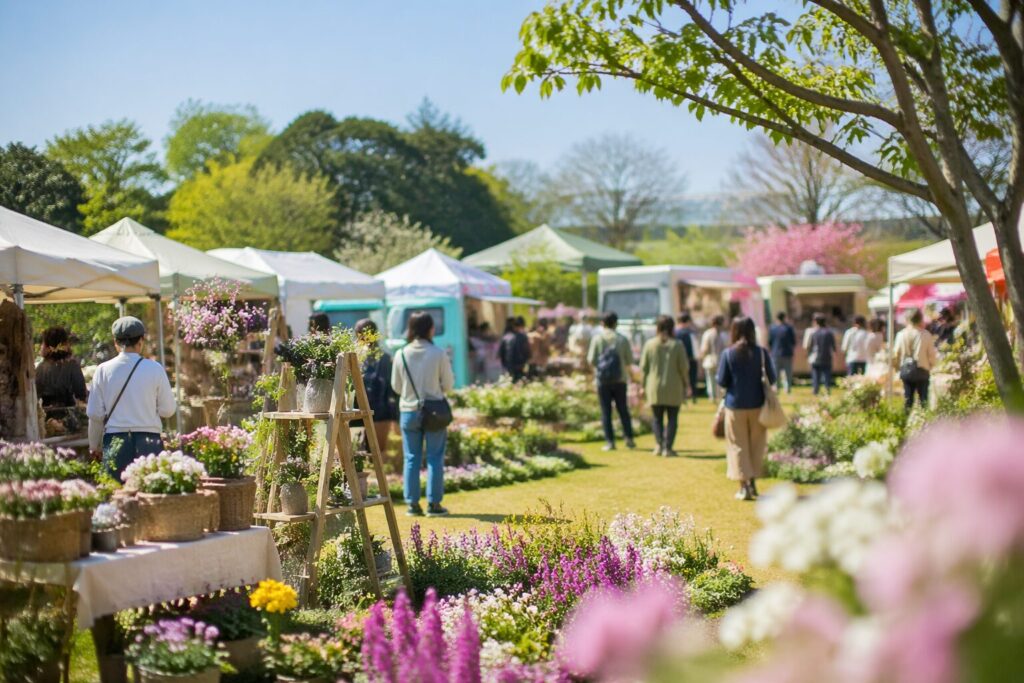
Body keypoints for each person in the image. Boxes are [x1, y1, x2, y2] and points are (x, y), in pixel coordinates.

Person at [87, 317, 176, 478]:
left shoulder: (102, 370)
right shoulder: (155, 369)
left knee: (117, 495)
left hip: (116, 441)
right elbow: (168, 410)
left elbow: (95, 414)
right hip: (149, 441)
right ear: (141, 341)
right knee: (150, 495)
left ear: (115, 341)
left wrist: (95, 446)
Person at [391, 312, 455, 517]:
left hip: (409, 411)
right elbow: (448, 385)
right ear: (430, 329)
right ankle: (434, 505)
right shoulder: (438, 353)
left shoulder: (401, 353)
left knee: (411, 458)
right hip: (434, 410)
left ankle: (412, 504)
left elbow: (396, 386)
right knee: (435, 458)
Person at [716, 316, 776, 501]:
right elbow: (772, 378)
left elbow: (721, 380)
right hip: (758, 405)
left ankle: (744, 486)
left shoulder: (728, 353)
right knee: (756, 446)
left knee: (737, 446)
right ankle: (753, 484)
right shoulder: (761, 353)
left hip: (735, 406)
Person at [587, 312, 636, 451]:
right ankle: (629, 438)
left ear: (602, 323)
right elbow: (629, 361)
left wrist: (599, 370)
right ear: (616, 323)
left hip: (603, 380)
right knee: (623, 410)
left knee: (606, 412)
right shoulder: (622, 339)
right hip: (620, 379)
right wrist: (631, 377)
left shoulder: (597, 339)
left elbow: (591, 359)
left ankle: (610, 441)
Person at [641, 315, 689, 456]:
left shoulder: (650, 344)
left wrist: (642, 386)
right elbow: (684, 368)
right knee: (673, 418)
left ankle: (658, 445)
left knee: (657, 418)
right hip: (674, 387)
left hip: (654, 387)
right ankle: (668, 447)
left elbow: (644, 367)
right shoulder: (677, 345)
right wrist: (687, 384)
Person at [354, 319, 397, 463]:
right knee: (378, 455)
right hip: (381, 412)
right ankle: (381, 484)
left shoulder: (354, 357)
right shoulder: (385, 358)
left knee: (358, 455)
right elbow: (392, 388)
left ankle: (364, 483)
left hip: (357, 412)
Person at [35, 326, 88, 431]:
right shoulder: (73, 366)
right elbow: (81, 395)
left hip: (47, 421)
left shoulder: (40, 368)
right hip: (70, 421)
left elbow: (35, 397)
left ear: (47, 346)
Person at [894, 308, 938, 412]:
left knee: (908, 399)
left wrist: (897, 368)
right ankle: (925, 424)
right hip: (922, 368)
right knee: (923, 400)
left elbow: (896, 354)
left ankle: (904, 422)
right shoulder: (925, 334)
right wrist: (931, 365)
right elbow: (931, 354)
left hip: (906, 369)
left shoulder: (901, 334)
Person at [805, 313, 836, 396]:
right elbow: (833, 346)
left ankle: (815, 390)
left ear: (815, 322)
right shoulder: (829, 332)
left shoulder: (813, 332)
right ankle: (827, 389)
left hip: (815, 356)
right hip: (827, 356)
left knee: (816, 375)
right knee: (827, 374)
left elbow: (809, 346)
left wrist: (808, 355)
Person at [699, 315, 728, 401]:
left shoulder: (708, 334)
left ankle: (713, 397)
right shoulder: (724, 335)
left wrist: (702, 358)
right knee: (719, 380)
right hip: (721, 360)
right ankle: (718, 396)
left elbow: (704, 349)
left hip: (710, 360)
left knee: (711, 380)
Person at [767, 312, 797, 394]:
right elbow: (793, 341)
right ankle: (787, 388)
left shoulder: (772, 328)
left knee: (776, 372)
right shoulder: (789, 328)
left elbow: (770, 342)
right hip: (787, 353)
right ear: (784, 317)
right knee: (788, 372)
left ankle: (776, 388)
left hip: (775, 353)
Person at [674, 313, 699, 403]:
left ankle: (682, 397)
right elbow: (695, 348)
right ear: (688, 321)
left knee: (680, 379)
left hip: (677, 359)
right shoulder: (691, 333)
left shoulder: (674, 332)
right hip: (691, 359)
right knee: (692, 379)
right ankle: (693, 397)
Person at [499, 316, 531, 382]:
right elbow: (527, 351)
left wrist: (505, 364)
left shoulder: (506, 337)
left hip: (510, 365)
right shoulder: (522, 337)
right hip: (520, 364)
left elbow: (502, 353)